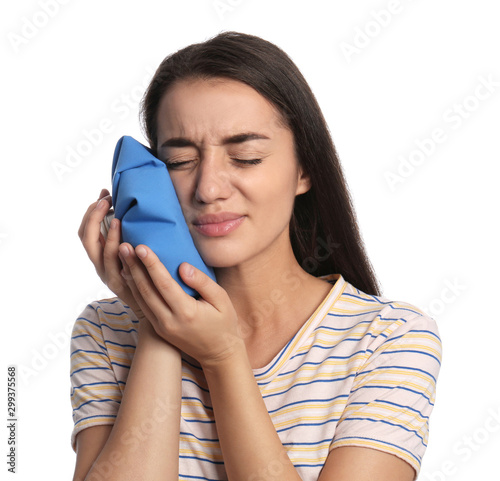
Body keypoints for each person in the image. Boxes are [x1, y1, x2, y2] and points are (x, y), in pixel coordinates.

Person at [70, 31, 442, 481]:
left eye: (245, 157)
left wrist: (224, 356)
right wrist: (158, 322)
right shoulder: (107, 331)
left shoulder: (389, 339)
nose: (208, 189)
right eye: (180, 161)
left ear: (304, 168)